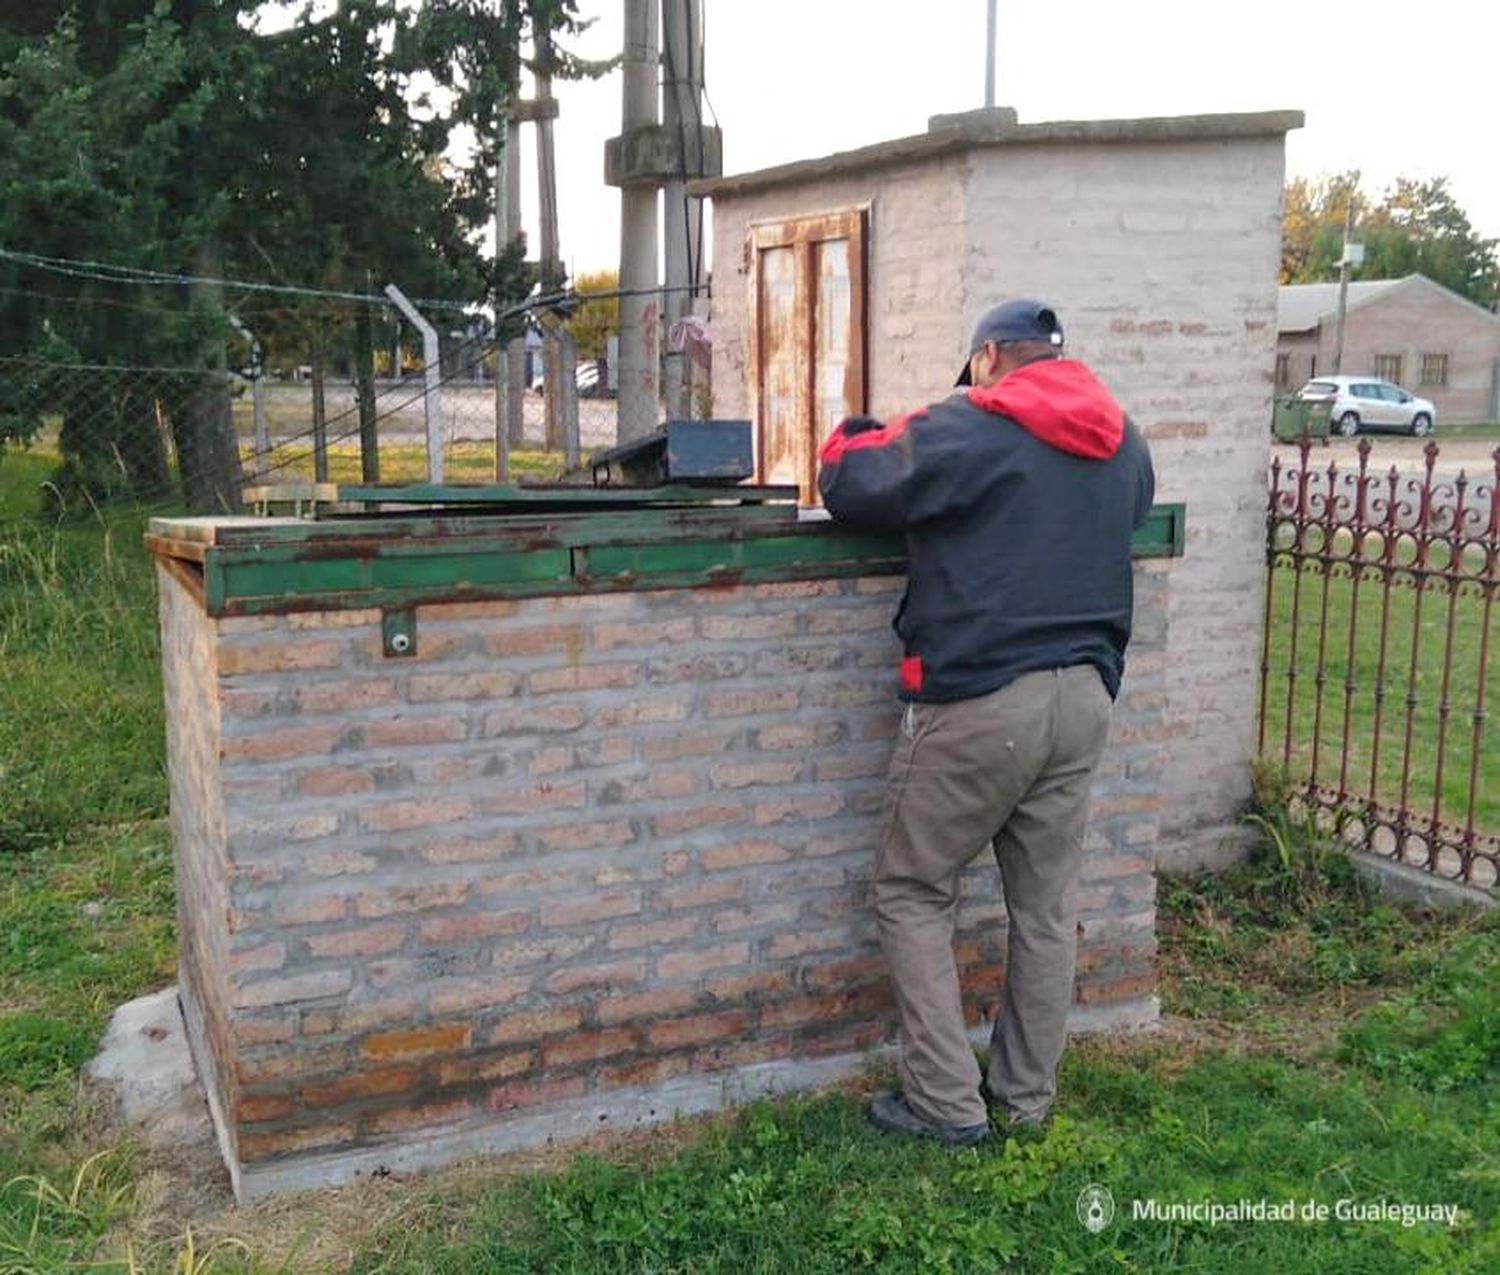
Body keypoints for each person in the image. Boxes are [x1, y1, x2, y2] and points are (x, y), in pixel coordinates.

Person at [817, 298, 1155, 1146]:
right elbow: (1129, 513)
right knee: (1043, 909)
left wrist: (853, 425)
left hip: (980, 698)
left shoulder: (970, 426)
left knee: (911, 887)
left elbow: (854, 480)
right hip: (1085, 695)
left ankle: (944, 1100)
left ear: (990, 357)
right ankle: (1025, 1099)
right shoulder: (1126, 439)